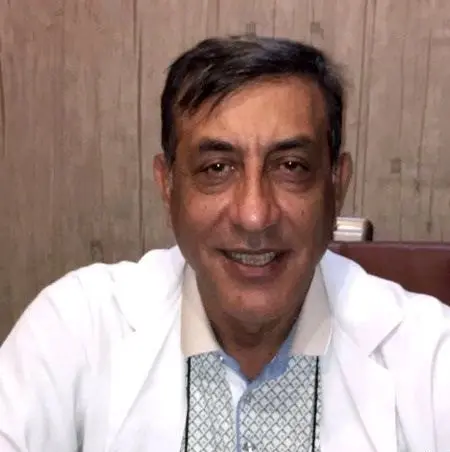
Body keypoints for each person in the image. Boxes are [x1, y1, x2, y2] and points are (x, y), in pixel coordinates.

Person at [0, 35, 449, 452]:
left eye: (291, 166)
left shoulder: (430, 355)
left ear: (337, 185)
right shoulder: (76, 328)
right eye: (217, 168)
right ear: (168, 186)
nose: (254, 215)